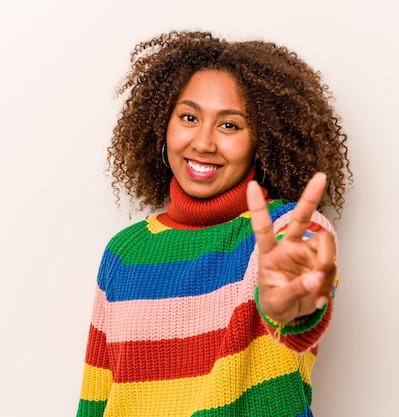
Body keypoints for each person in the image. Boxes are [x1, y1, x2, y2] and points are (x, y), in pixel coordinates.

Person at [76, 30, 351, 417]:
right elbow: (95, 399)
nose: (203, 142)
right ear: (162, 125)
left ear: (263, 140)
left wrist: (291, 302)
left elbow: (298, 312)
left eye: (230, 125)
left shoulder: (285, 229)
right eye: (189, 117)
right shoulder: (125, 252)